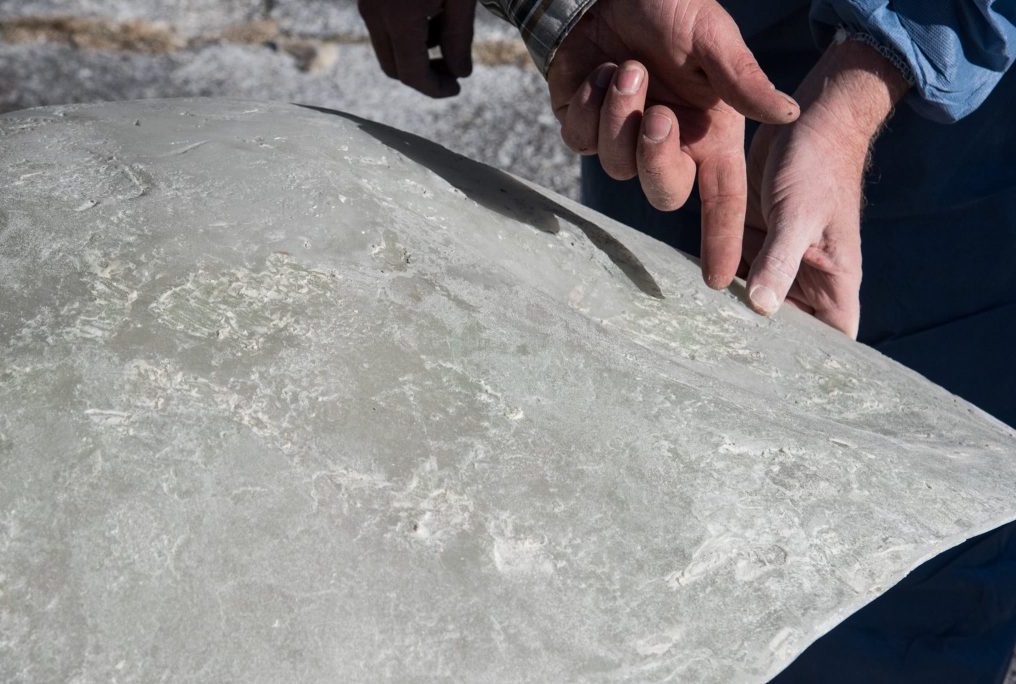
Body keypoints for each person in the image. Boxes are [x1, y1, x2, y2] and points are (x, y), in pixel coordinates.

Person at [359, 1, 1016, 681]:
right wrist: (561, 8)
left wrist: (863, 87)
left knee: (894, 568)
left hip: (939, 139)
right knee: (639, 520)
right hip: (669, 71)